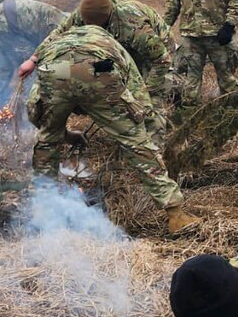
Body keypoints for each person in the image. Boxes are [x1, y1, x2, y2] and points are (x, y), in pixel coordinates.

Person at [26, 25, 200, 234]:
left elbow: (35, 110)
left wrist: (59, 134)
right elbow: (135, 88)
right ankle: (176, 216)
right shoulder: (111, 44)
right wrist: (138, 124)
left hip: (57, 70)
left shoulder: (54, 45)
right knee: (136, 143)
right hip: (98, 70)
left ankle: (45, 211)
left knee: (47, 141)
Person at [21, 0, 175, 143]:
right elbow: (58, 34)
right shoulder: (82, 13)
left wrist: (145, 91)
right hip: (111, 55)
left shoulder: (134, 26)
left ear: (107, 20)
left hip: (148, 56)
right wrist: (34, 59)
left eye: (97, 26)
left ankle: (152, 150)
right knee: (63, 76)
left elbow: (161, 60)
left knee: (147, 105)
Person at [0, 0, 65, 101]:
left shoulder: (65, 19)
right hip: (9, 22)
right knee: (31, 68)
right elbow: (45, 56)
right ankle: (27, 107)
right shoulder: (61, 28)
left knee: (1, 65)